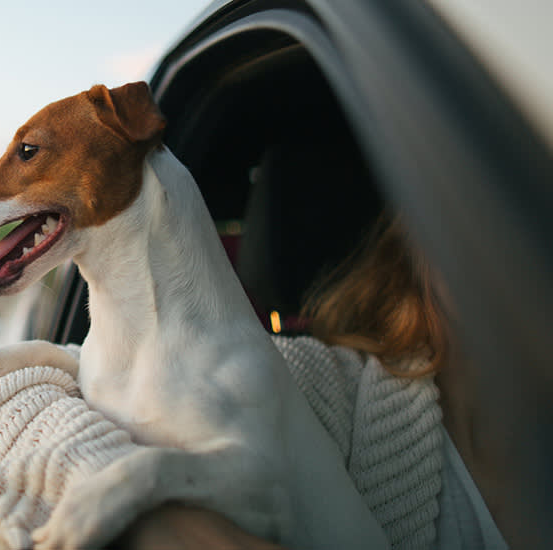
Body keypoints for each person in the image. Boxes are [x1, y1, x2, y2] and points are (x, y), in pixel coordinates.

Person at [117, 213, 507, 550]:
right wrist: (153, 514)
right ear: (417, 241)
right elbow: (58, 381)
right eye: (472, 217)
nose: (509, 252)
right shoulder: (324, 387)